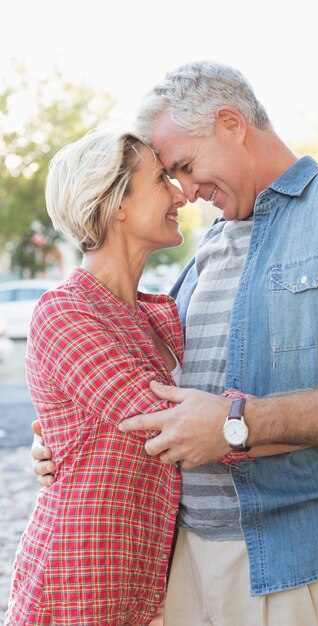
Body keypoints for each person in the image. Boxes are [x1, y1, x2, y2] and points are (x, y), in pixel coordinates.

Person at [32, 61, 318, 626]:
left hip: (295, 557)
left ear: (232, 124)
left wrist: (241, 424)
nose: (184, 192)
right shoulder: (199, 257)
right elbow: (158, 402)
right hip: (182, 566)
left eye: (184, 166)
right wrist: (72, 446)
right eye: (168, 176)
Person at [6, 128, 188, 626]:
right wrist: (279, 425)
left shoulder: (162, 315)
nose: (180, 195)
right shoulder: (64, 313)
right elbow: (166, 424)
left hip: (149, 576)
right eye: (161, 180)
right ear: (115, 203)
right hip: (80, 580)